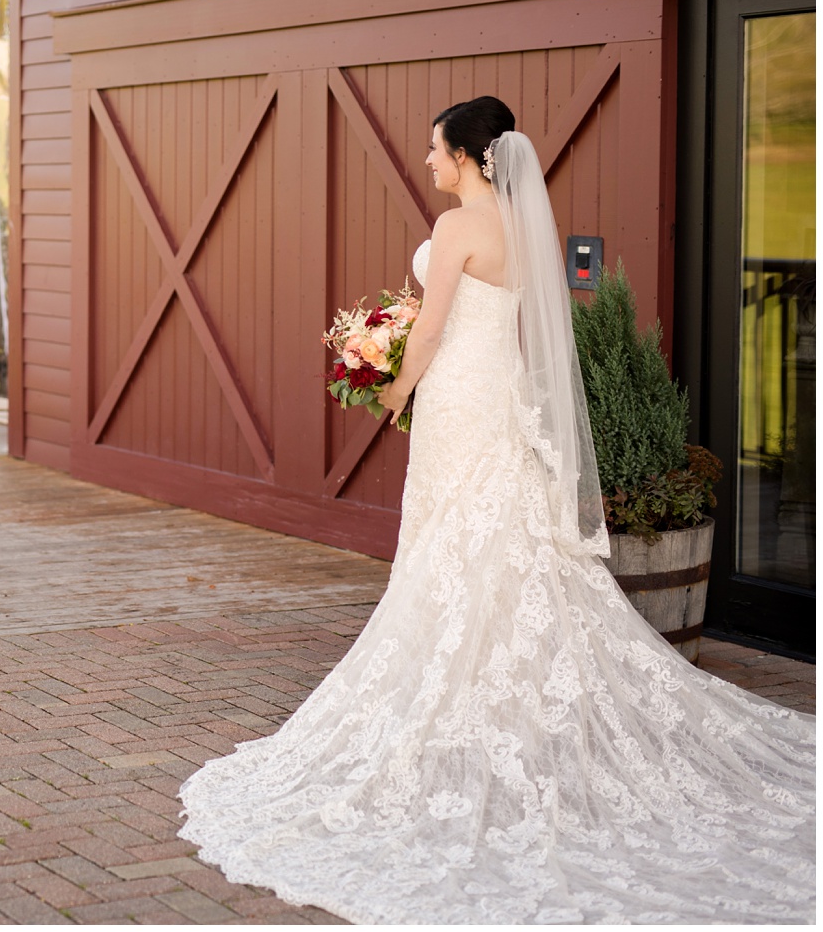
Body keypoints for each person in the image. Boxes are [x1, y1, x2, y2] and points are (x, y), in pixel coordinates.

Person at [178, 96, 816, 923]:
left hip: (457, 400)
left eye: (436, 151)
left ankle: (467, 693)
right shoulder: (526, 226)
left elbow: (435, 331)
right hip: (501, 400)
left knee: (451, 536)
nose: (428, 163)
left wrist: (390, 388)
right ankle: (510, 690)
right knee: (508, 534)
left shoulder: (455, 230)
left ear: (475, 157)